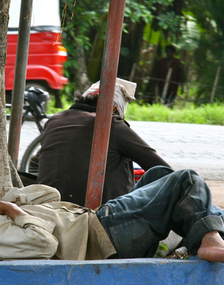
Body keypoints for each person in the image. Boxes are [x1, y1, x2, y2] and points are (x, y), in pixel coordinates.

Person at [0, 166, 224, 273]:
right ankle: (212, 239)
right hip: (104, 237)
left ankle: (218, 232)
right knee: (185, 180)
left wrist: (10, 200)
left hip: (100, 224)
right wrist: (14, 212)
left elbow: (49, 196)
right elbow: (45, 244)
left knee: (156, 175)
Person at [37, 78, 170, 206]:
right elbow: (160, 167)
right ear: (113, 109)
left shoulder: (54, 120)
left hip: (48, 205)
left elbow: (37, 160)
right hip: (99, 214)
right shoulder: (110, 123)